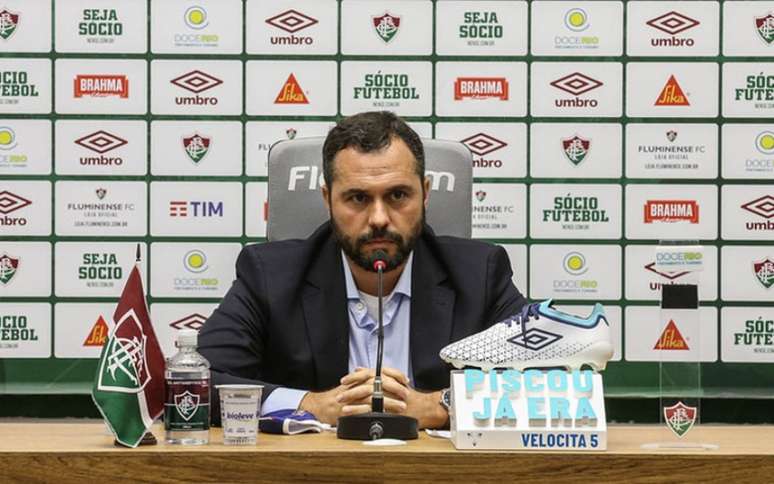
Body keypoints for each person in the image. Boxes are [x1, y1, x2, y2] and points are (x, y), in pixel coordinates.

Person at [198, 111, 527, 429]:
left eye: (398, 195)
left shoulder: (479, 273)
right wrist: (308, 405)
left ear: (425, 194)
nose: (379, 218)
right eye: (357, 198)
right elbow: (197, 381)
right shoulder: (270, 275)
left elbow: (552, 378)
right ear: (328, 199)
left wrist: (442, 404)